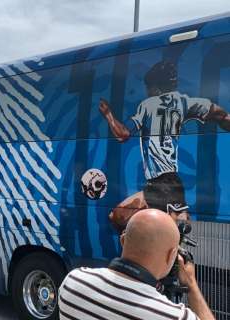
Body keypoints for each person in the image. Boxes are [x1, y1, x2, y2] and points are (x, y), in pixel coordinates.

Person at [99, 61, 230, 230]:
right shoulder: (185, 102)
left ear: (156, 88)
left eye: (148, 88)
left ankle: (154, 251)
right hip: (167, 183)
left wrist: (108, 114)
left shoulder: (148, 105)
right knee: (170, 230)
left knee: (118, 217)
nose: (147, 92)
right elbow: (221, 115)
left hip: (161, 184)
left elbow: (123, 134)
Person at [58, 209, 215, 320]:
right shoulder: (174, 316)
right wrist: (191, 284)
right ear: (171, 255)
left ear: (123, 240)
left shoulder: (73, 281)